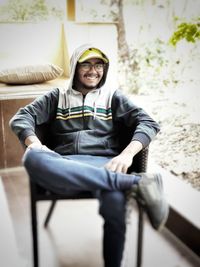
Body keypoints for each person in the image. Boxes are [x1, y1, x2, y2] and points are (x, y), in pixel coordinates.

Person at [9, 43, 169, 267]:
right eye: (86, 64)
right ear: (75, 66)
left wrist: (127, 154)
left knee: (114, 203)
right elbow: (20, 118)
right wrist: (34, 143)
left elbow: (148, 122)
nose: (93, 70)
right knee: (32, 157)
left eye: (99, 65)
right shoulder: (57, 96)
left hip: (105, 164)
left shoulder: (112, 97)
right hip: (64, 164)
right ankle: (134, 182)